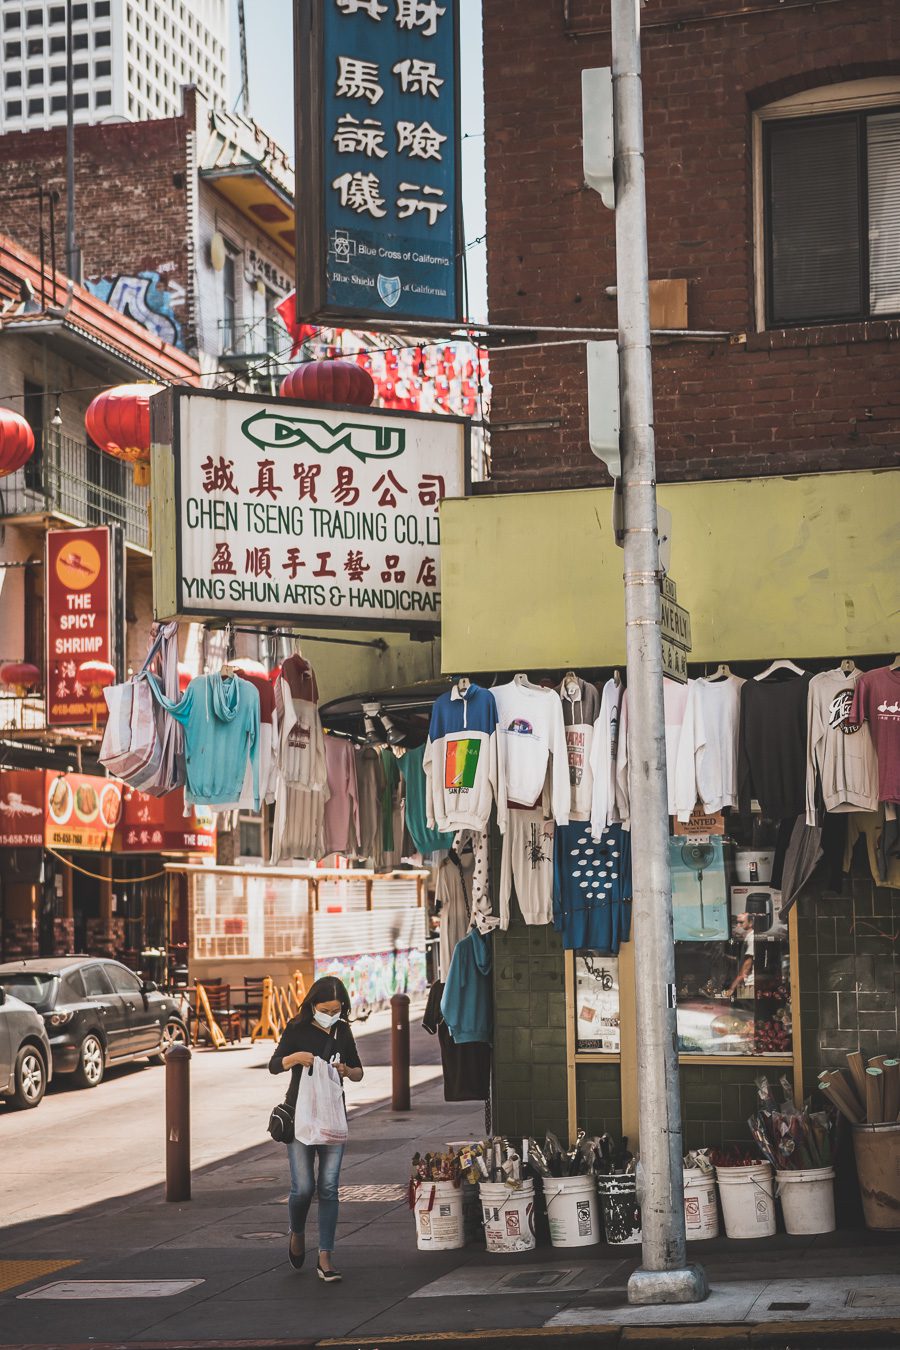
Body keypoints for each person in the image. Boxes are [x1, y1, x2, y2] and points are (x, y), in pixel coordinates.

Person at [269, 976, 364, 1283]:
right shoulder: (297, 1028)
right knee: (304, 1188)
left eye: (337, 1009)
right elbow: (273, 1064)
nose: (331, 1013)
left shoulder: (342, 1031)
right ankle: (296, 1231)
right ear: (312, 1005)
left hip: (333, 1116)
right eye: (325, 1008)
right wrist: (294, 1058)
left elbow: (359, 1071)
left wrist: (345, 1070)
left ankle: (325, 1256)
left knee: (328, 1187)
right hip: (300, 1116)